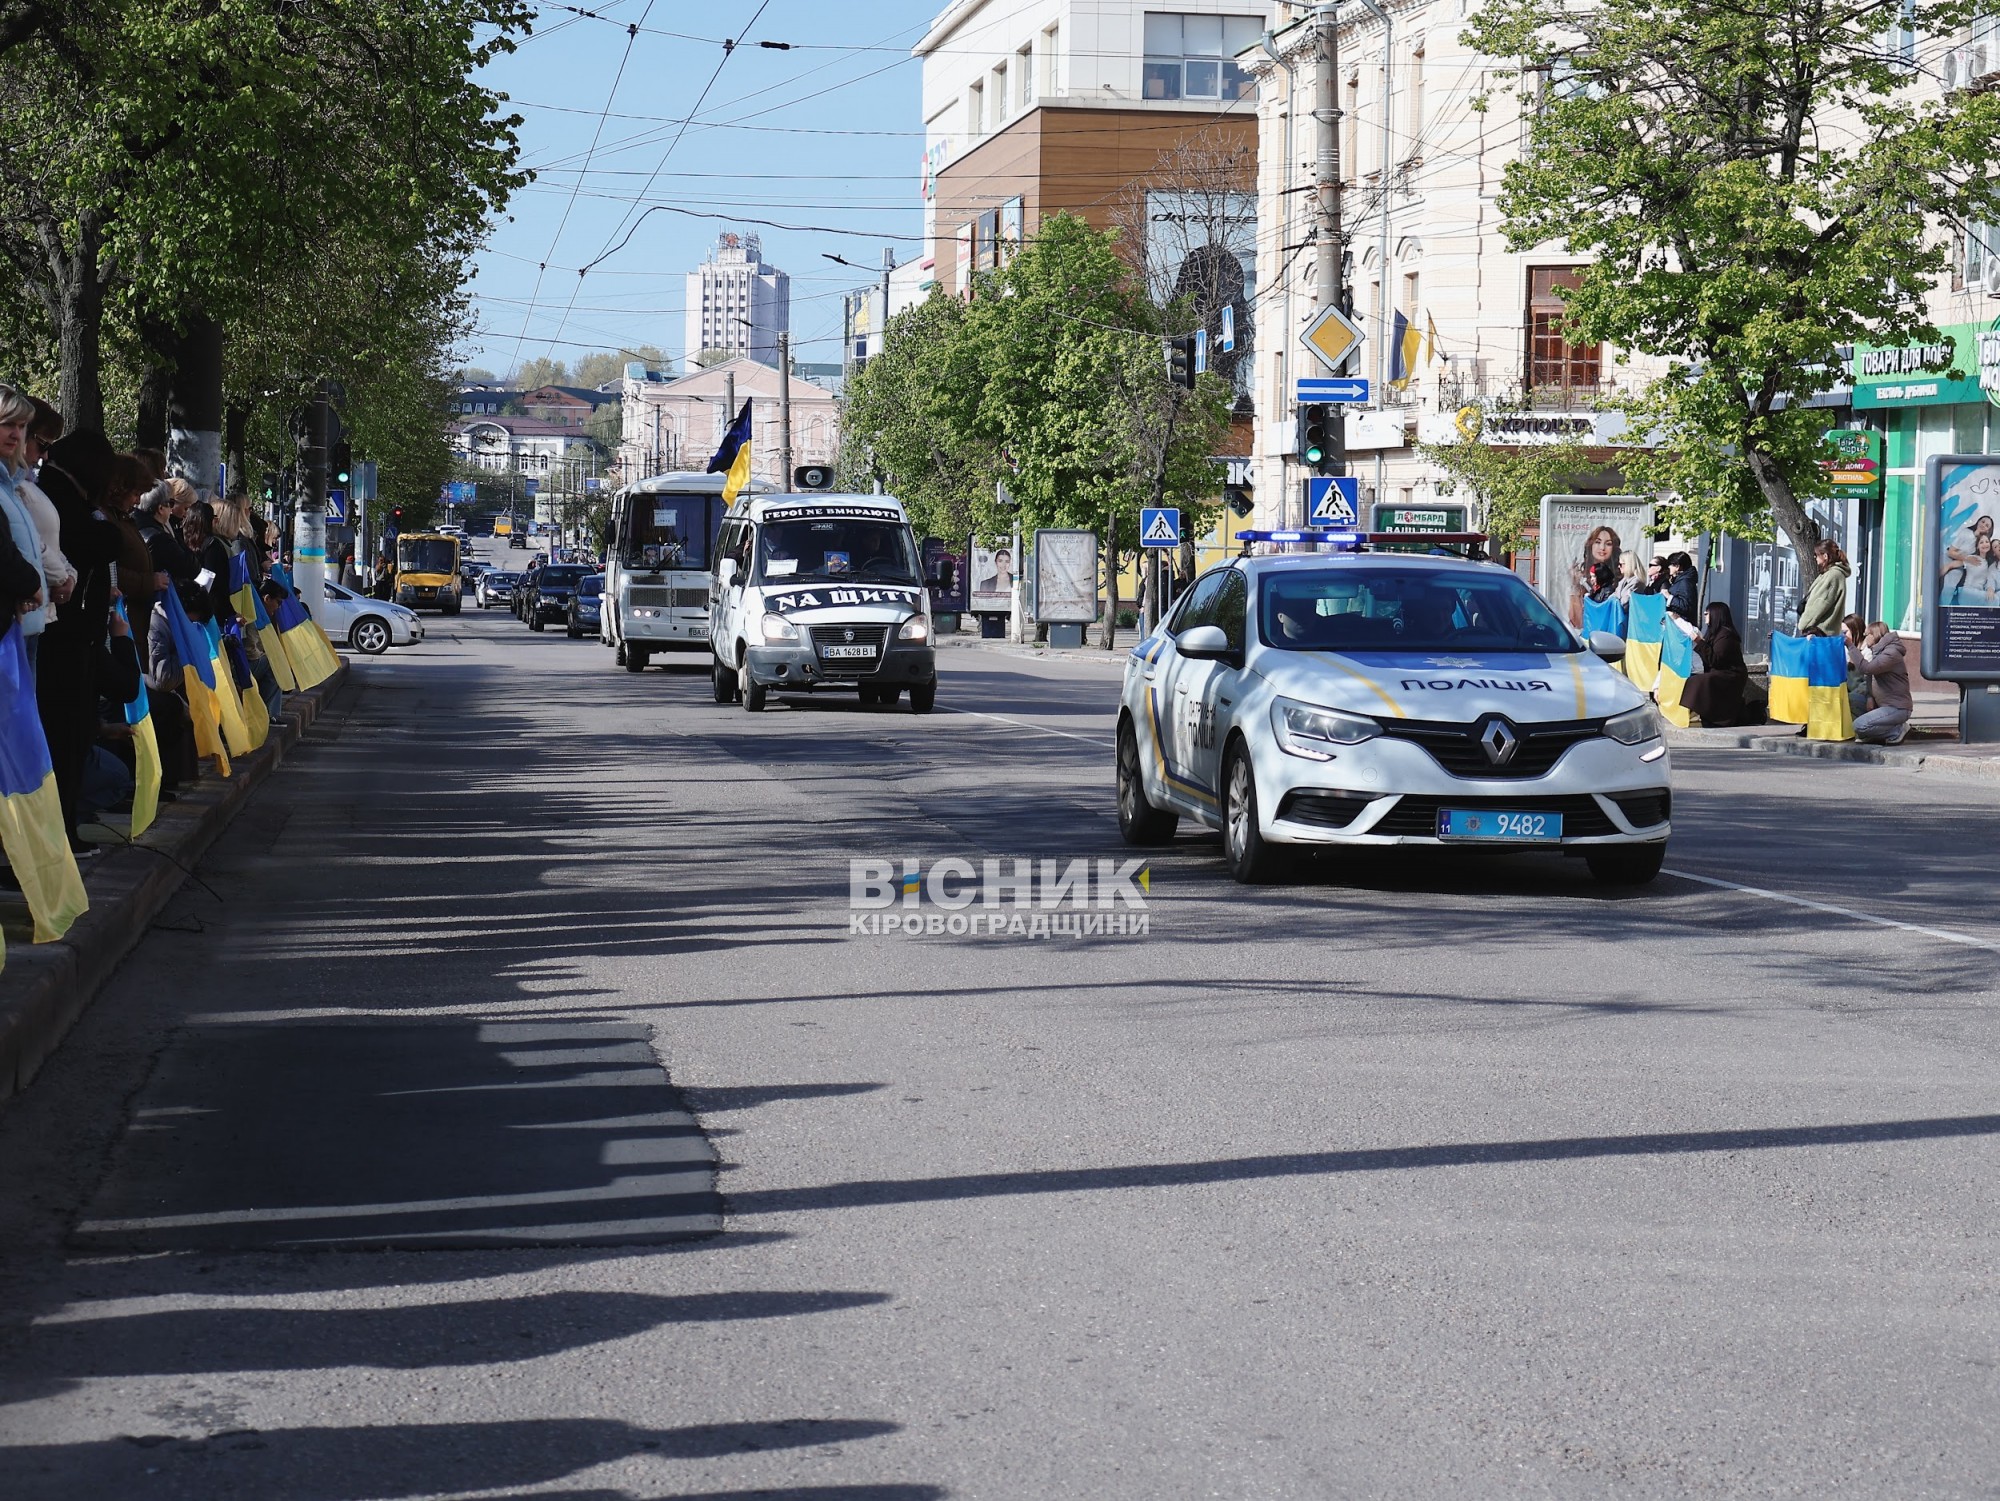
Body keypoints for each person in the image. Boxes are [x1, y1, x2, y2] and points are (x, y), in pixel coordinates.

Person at [1680, 601, 1751, 726]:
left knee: (1699, 681)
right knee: (1696, 679)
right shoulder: (1714, 633)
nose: (1705, 616)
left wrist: (1699, 642)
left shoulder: (1726, 635)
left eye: (1707, 613)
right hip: (1720, 671)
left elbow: (1715, 659)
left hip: (1731, 674)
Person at [1848, 618, 1913, 745]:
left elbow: (1867, 669)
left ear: (1875, 635)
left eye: (1866, 635)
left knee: (1859, 726)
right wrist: (1870, 697)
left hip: (1897, 707)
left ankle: (1896, 730)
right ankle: (1872, 733)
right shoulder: (1879, 652)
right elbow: (1870, 677)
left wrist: (1850, 645)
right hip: (1882, 704)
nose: (1865, 638)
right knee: (1851, 700)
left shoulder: (1891, 654)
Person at [1796, 539, 1851, 637]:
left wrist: (1803, 624)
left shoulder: (1832, 575)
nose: (1815, 558)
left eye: (1817, 555)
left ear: (1825, 556)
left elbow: (1820, 603)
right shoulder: (1831, 574)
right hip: (1824, 633)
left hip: (1820, 633)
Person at [1664, 551, 1700, 626]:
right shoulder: (1681, 580)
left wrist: (1669, 597)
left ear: (1677, 566)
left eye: (1670, 565)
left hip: (1682, 626)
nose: (1668, 567)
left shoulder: (1685, 582)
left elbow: (1686, 606)